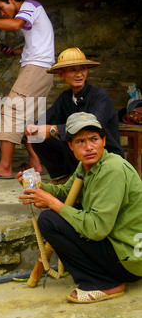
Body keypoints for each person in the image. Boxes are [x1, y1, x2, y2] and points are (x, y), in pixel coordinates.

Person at [19, 112, 142, 304]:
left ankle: (105, 283)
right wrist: (39, 189)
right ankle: (101, 275)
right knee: (57, 214)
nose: (89, 147)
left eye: (94, 139)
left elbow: (96, 229)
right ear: (70, 146)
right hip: (118, 247)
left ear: (103, 140)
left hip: (130, 259)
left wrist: (52, 202)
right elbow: (66, 192)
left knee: (50, 220)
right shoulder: (86, 165)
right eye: (80, 141)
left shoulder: (112, 169)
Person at [0, 0, 54, 179]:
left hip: (36, 69)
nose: (2, 13)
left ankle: (5, 167)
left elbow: (16, 24)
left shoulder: (30, 5)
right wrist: (15, 52)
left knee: (10, 111)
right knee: (26, 120)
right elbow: (36, 44)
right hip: (40, 69)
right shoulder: (32, 12)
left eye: (2, 8)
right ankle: (35, 161)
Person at [25, 47, 124, 182]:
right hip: (79, 155)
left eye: (82, 69)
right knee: (37, 137)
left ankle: (81, 178)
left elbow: (91, 127)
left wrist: (53, 129)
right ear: (61, 75)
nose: (79, 74)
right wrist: (33, 127)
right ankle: (65, 176)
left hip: (105, 156)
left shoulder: (99, 95)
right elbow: (45, 120)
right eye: (72, 70)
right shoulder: (66, 98)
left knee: (79, 136)